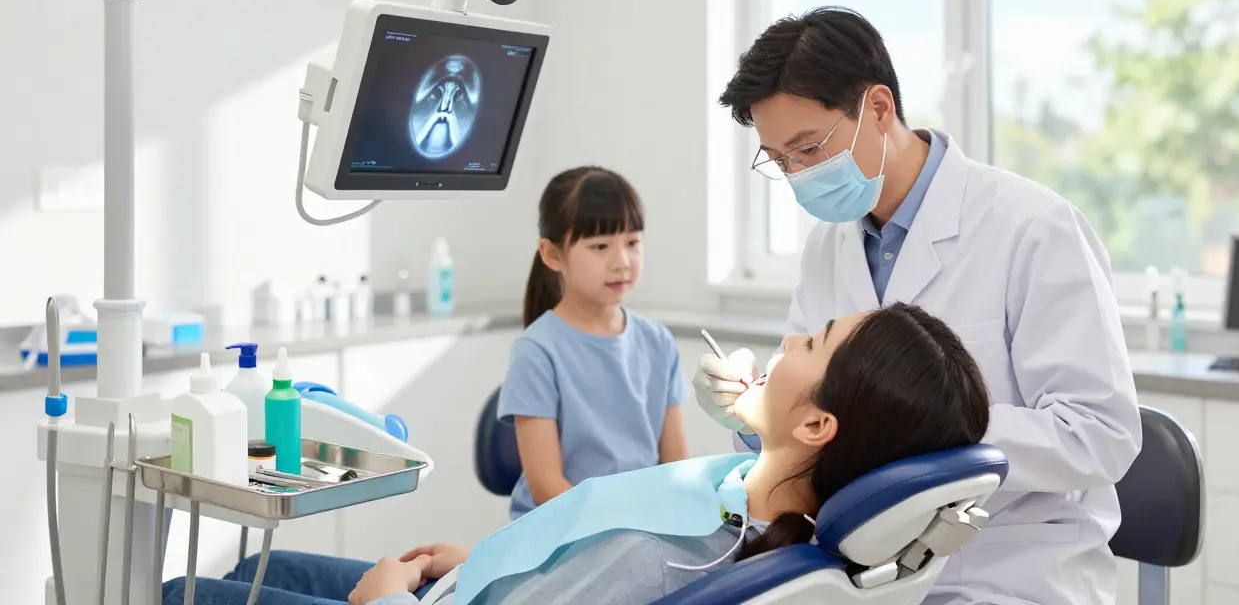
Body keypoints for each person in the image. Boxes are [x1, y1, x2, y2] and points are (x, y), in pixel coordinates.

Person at [696, 5, 1142, 605]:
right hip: (862, 570)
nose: (797, 175)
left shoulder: (1033, 227)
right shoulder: (830, 246)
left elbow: (1099, 435)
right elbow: (809, 412)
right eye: (779, 161)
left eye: (807, 149)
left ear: (878, 109)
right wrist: (753, 416)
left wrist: (910, 428)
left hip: (1009, 568)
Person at [161, 303, 991, 605]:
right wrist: (498, 556)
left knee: (177, 592)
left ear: (818, 429)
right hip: (474, 579)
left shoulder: (671, 556)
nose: (785, 339)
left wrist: (382, 602)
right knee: (240, 580)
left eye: (811, 340)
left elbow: (617, 556)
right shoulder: (745, 497)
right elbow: (583, 542)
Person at [500, 165, 689, 519]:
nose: (622, 262)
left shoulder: (658, 341)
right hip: (563, 527)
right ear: (553, 255)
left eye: (632, 243)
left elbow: (675, 465)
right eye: (600, 246)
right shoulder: (536, 351)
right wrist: (624, 523)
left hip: (640, 525)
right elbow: (546, 488)